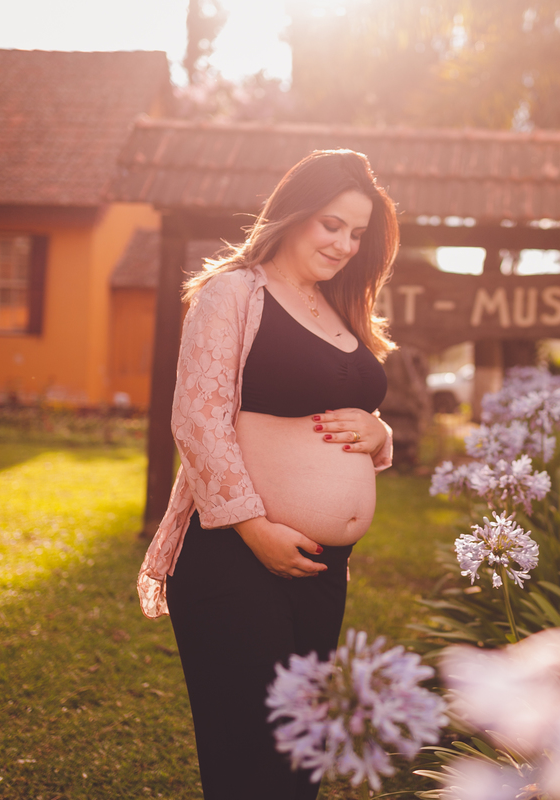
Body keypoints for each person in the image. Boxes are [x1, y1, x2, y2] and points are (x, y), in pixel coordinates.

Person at [136, 149, 399, 799]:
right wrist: (255, 528)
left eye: (357, 234)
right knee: (249, 757)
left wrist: (382, 433)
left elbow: (355, 413)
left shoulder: (336, 308)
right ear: (296, 213)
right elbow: (197, 421)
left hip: (320, 571)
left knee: (300, 755)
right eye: (332, 225)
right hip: (234, 559)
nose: (344, 245)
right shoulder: (234, 294)